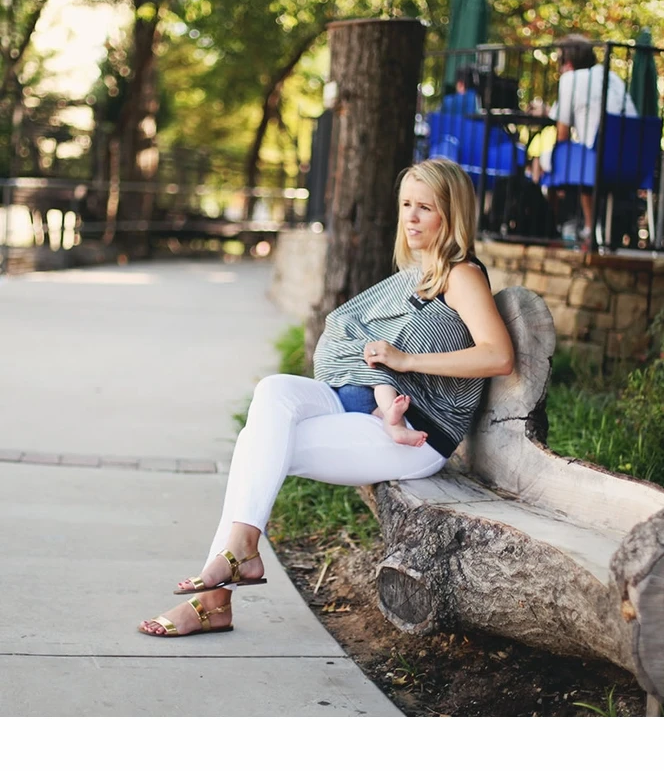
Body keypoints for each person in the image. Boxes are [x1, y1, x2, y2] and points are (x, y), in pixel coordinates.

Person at [138, 158, 515, 638]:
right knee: (274, 391)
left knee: (260, 445)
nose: (411, 217)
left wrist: (405, 361)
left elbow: (498, 356)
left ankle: (217, 595)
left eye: (425, 207)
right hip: (364, 403)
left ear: (452, 214)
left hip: (415, 433)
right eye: (406, 205)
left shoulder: (462, 276)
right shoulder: (418, 273)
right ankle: (238, 556)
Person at [538, 34, 637, 241]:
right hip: (633, 159)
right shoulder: (611, 77)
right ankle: (589, 227)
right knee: (581, 156)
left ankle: (552, 228)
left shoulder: (570, 79)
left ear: (567, 63)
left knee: (543, 161)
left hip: (597, 160)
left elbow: (562, 134)